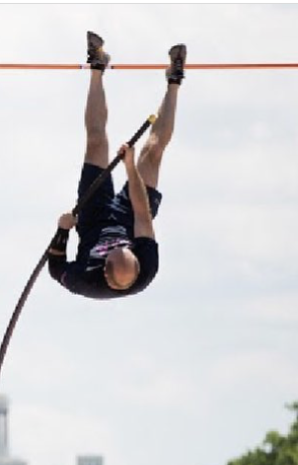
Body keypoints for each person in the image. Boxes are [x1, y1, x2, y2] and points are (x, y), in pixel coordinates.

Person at [47, 32, 186, 299]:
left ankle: (97, 67)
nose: (114, 245)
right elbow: (143, 216)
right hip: (132, 216)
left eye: (111, 250)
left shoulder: (84, 281)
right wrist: (130, 166)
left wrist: (63, 231)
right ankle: (174, 81)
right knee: (153, 152)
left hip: (93, 215)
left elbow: (56, 268)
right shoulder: (146, 268)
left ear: (104, 268)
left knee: (96, 142)